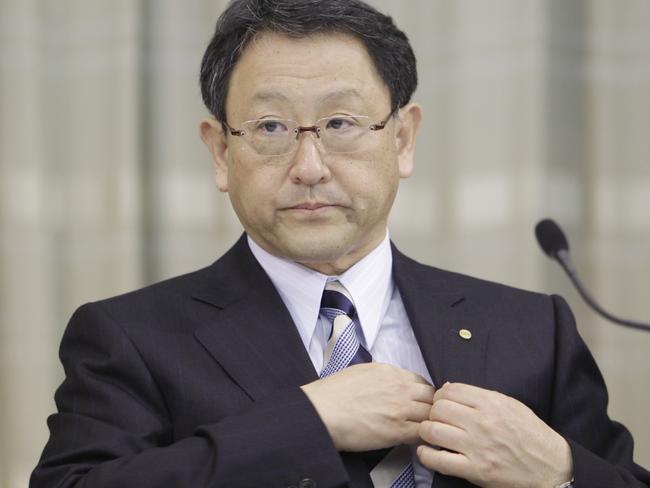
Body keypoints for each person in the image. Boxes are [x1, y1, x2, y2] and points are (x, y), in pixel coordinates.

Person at [31, 1, 650, 487]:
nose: (309, 166)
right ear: (221, 152)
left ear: (403, 139)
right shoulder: (131, 338)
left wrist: (558, 473)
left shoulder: (530, 328)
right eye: (271, 126)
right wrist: (307, 422)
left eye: (341, 124)